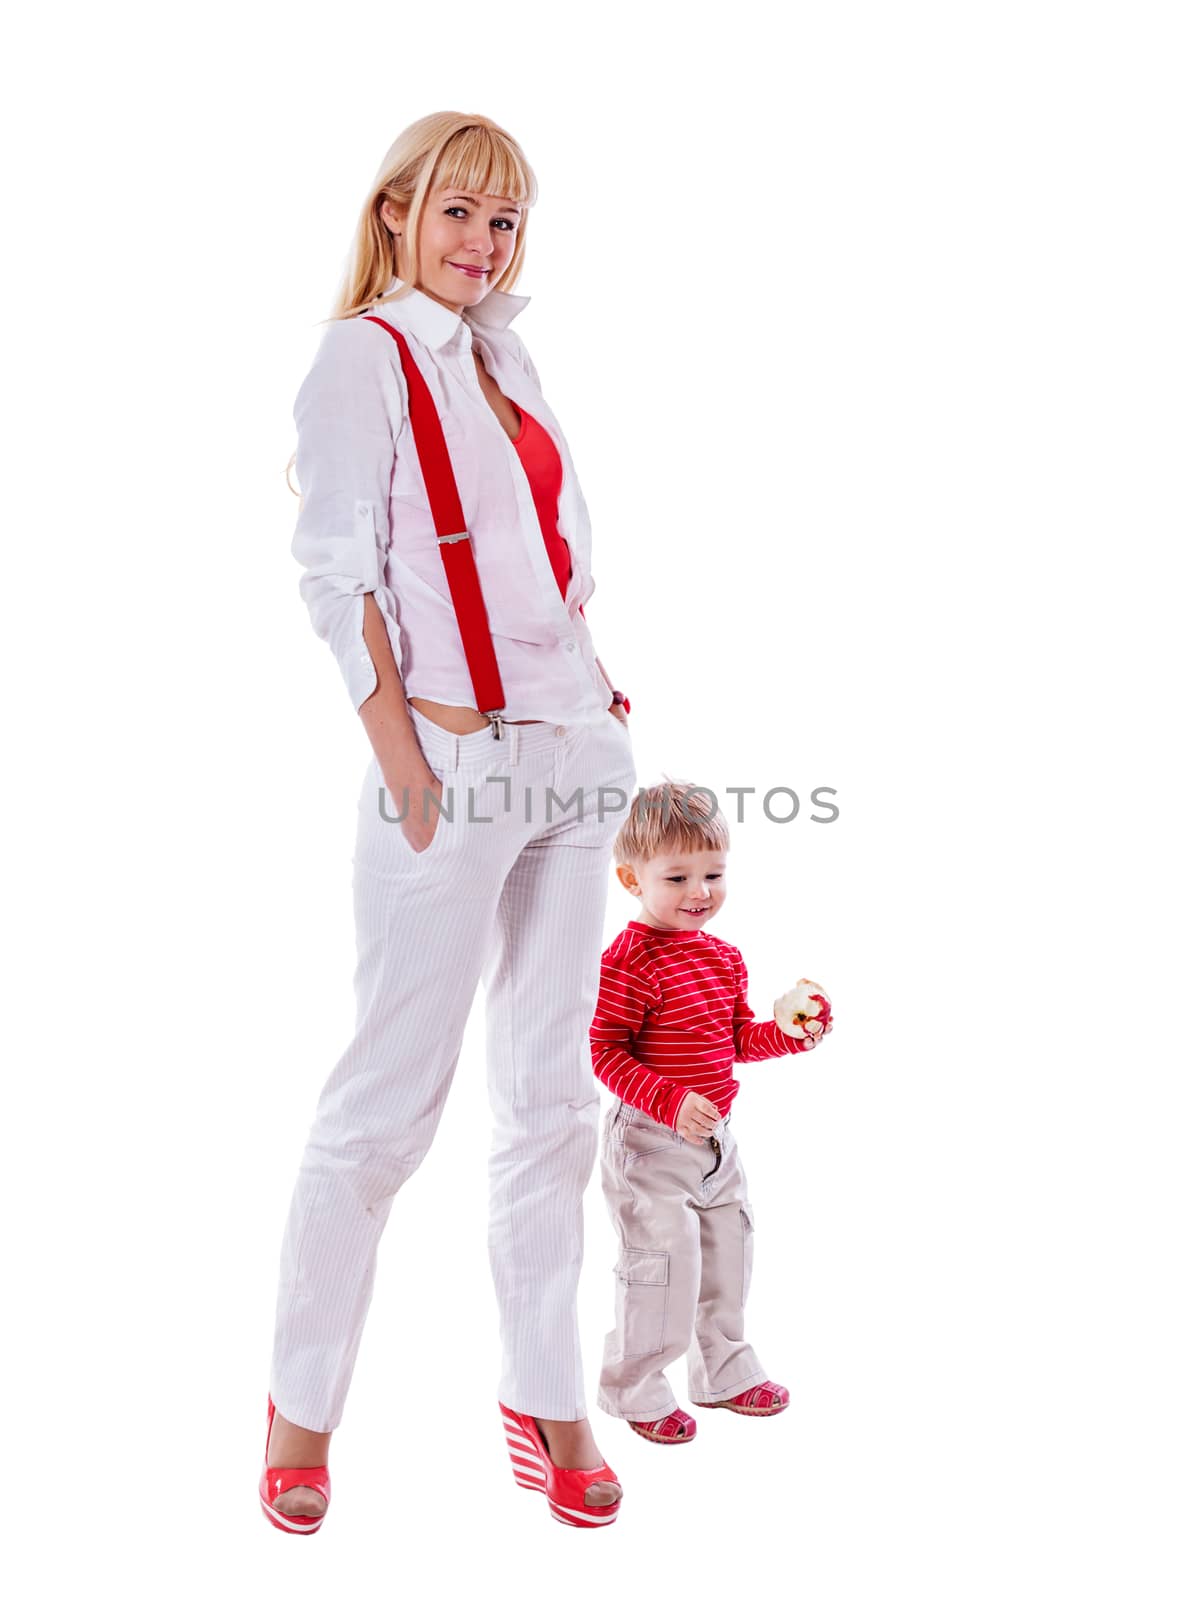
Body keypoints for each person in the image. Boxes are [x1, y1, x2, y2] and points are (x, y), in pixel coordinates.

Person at [260, 111, 637, 1534]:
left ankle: (546, 1395)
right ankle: (300, 1413)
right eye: (461, 214)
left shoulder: (500, 355)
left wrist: (599, 719)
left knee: (548, 1104)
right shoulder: (362, 353)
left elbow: (544, 564)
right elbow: (332, 569)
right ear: (399, 211)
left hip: (576, 753)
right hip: (451, 767)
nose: (484, 244)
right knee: (381, 1113)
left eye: (507, 221)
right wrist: (404, 764)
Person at [587, 782, 834, 1442]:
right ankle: (633, 1387)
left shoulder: (723, 958)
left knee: (727, 1256)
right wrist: (668, 1101)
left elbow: (735, 1041)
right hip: (649, 1141)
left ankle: (723, 1372)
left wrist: (789, 1034)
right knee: (661, 1267)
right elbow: (603, 1051)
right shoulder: (629, 960)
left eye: (712, 874)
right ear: (629, 878)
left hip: (716, 1145)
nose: (699, 892)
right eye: (677, 877)